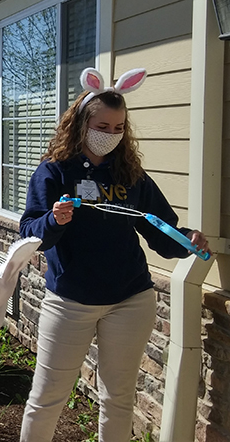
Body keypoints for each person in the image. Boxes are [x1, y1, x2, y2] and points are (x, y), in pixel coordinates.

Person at [18, 68, 211, 442]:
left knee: (118, 399)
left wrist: (187, 238)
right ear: (81, 124)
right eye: (102, 126)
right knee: (47, 399)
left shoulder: (132, 174)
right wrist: (54, 221)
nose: (110, 135)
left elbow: (160, 232)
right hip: (71, 301)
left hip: (131, 299)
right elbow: (30, 235)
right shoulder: (54, 172)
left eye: (119, 127)